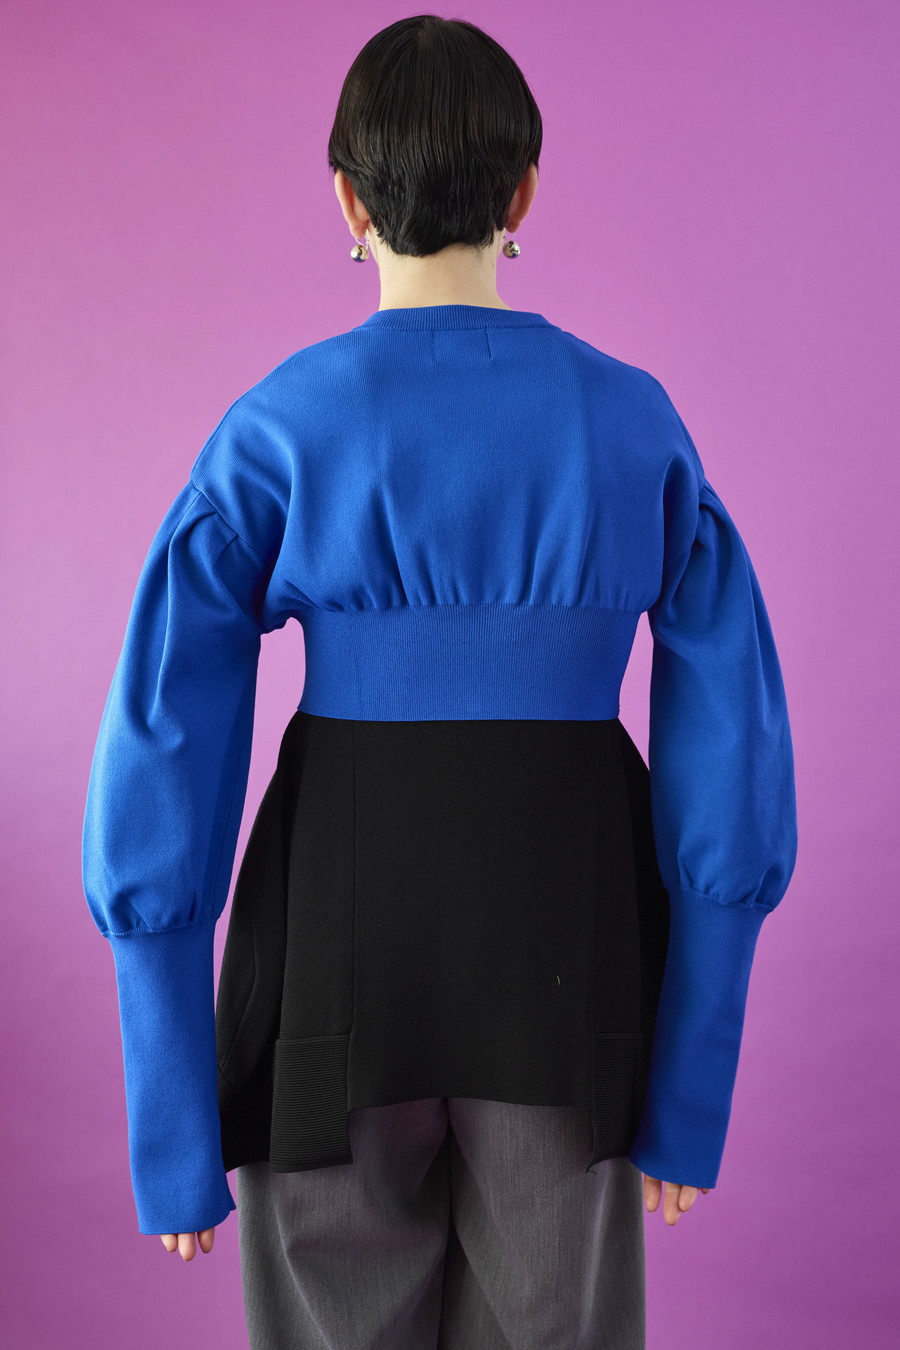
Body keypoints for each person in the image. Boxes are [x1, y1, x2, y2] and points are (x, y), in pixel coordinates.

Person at [81, 14, 797, 1349]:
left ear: (347, 202)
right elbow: (735, 752)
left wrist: (173, 1118)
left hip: (326, 986)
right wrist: (689, 1089)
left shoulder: (280, 426)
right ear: (523, 195)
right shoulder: (632, 421)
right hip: (574, 981)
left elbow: (162, 740)